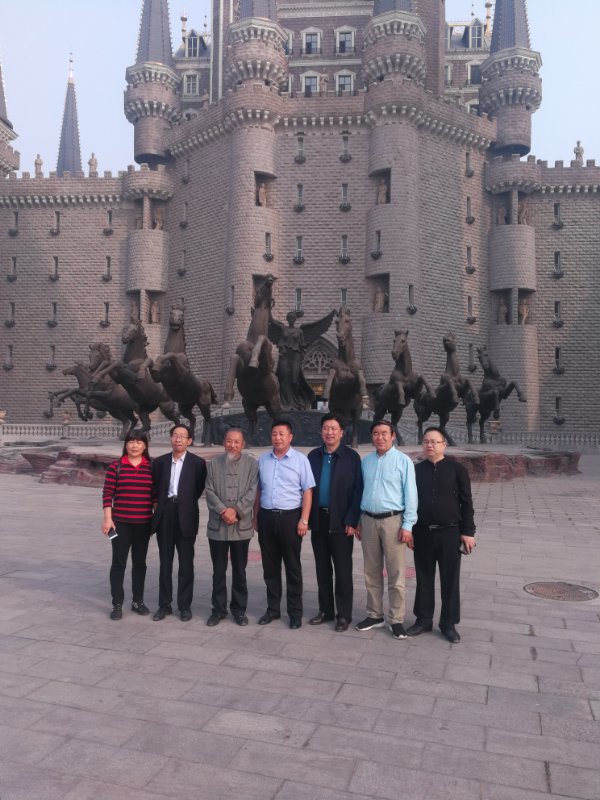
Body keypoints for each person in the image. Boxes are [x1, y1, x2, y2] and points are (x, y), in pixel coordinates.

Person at [407, 426, 476, 644]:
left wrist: (468, 532)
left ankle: (448, 623)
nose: (430, 445)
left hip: (450, 532)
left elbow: (467, 502)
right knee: (423, 577)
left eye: (434, 441)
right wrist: (409, 530)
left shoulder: (457, 469)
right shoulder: (416, 470)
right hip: (422, 532)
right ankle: (423, 619)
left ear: (443, 445)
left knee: (450, 579)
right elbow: (409, 502)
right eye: (426, 441)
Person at [356, 420, 417, 639]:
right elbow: (361, 491)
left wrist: (408, 525)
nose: (379, 437)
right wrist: (359, 520)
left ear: (393, 436)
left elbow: (411, 495)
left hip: (393, 521)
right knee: (371, 571)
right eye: (375, 433)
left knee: (396, 573)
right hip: (368, 520)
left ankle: (396, 619)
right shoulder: (366, 461)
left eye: (384, 433)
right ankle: (375, 614)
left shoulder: (403, 461)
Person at [255, 419, 315, 629]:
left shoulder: (300, 460)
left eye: (282, 434)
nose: (277, 438)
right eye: (274, 434)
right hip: (266, 517)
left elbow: (307, 491)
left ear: (290, 437)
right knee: (269, 566)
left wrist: (304, 519)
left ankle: (295, 612)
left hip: (290, 518)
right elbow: (259, 490)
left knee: (292, 567)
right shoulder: (263, 460)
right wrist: (255, 516)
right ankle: (273, 609)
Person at [307, 414, 363, 632]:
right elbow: (306, 488)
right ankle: (326, 610)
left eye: (333, 428)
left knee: (342, 570)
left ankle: (344, 614)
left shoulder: (351, 457)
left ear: (341, 432)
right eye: (325, 428)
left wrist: (352, 519)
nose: (329, 432)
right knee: (322, 568)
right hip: (319, 520)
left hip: (341, 521)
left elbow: (358, 491)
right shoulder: (313, 456)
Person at [151, 424, 207, 621]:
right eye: (175, 435)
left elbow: (198, 488)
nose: (178, 439)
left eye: (182, 436)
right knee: (165, 562)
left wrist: (184, 502)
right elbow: (155, 487)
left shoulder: (197, 463)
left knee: (186, 564)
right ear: (171, 438)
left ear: (189, 440)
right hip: (165, 513)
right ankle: (164, 605)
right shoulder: (160, 462)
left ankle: (185, 606)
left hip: (186, 514)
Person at [204, 428, 259, 627]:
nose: (232, 445)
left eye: (237, 442)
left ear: (243, 444)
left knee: (239, 571)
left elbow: (253, 491)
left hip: (241, 526)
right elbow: (209, 490)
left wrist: (236, 511)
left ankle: (239, 610)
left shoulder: (252, 464)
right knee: (218, 571)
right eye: (229, 441)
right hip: (218, 526)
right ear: (224, 442)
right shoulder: (213, 464)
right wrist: (223, 510)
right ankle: (218, 610)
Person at [102, 430, 155, 620]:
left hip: (143, 524)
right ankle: (117, 604)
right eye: (131, 442)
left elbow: (155, 497)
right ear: (125, 444)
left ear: (145, 445)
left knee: (140, 563)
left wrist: (158, 520)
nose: (134, 446)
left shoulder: (151, 467)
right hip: (120, 524)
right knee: (119, 563)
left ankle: (137, 601)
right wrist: (107, 519)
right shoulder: (116, 467)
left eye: (139, 442)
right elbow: (107, 494)